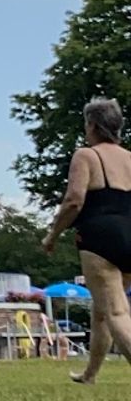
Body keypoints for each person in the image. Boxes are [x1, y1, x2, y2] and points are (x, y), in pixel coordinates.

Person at [41, 97, 131, 384]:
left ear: (92, 125)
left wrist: (52, 235)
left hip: (100, 236)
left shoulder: (86, 155)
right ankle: (90, 374)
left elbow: (74, 201)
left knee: (116, 311)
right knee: (101, 310)